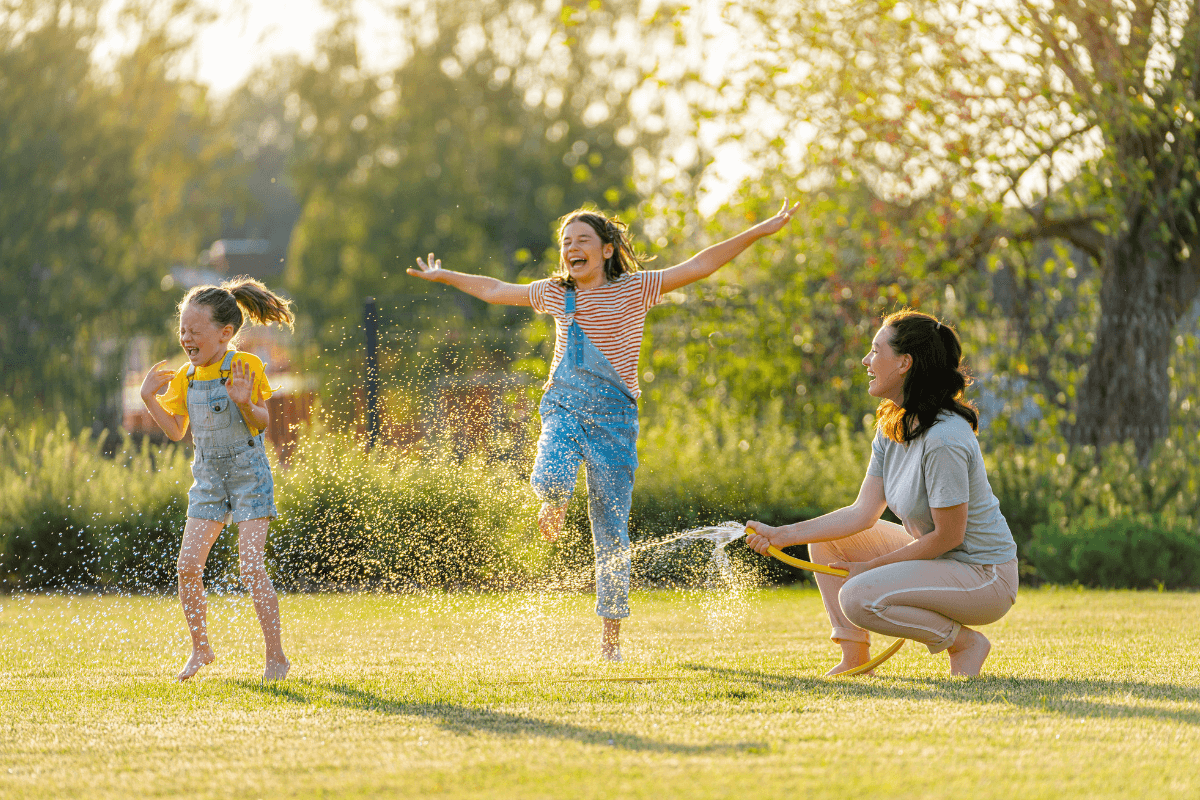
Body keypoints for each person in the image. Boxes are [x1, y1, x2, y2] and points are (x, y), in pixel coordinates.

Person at [408, 201, 800, 660]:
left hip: (616, 420)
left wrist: (760, 230)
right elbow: (495, 289)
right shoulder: (556, 294)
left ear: (608, 250)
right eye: (565, 243)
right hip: (565, 406)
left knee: (612, 533)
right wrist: (446, 276)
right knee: (553, 470)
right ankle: (553, 498)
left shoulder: (637, 289)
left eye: (582, 241)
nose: (572, 249)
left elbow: (702, 264)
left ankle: (610, 641)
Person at [746, 310, 1018, 677]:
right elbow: (861, 514)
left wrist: (868, 569)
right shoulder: (894, 424)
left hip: (984, 576)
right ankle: (855, 657)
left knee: (856, 597)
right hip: (942, 562)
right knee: (828, 543)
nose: (866, 360)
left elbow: (948, 536)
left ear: (905, 362)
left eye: (876, 351)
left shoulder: (944, 440)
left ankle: (964, 643)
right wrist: (783, 535)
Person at [140, 277, 295, 682]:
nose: (186, 337)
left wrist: (245, 402)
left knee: (250, 567)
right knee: (187, 567)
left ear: (225, 333)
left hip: (248, 474)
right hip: (208, 477)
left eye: (194, 330)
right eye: (182, 330)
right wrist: (147, 398)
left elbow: (261, 423)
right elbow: (176, 430)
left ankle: (276, 657)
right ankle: (200, 649)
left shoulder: (245, 367)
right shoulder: (185, 377)